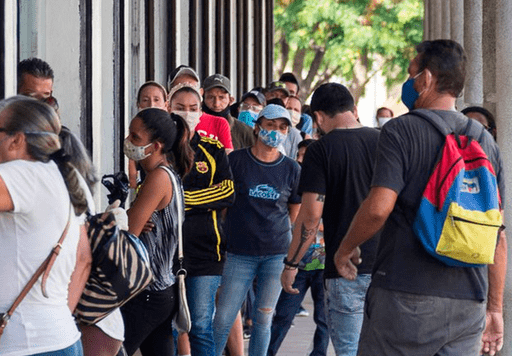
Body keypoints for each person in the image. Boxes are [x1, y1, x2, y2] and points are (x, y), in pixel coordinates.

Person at [334, 40, 507, 356]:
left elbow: (378, 208)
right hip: (469, 301)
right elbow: (497, 235)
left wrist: (344, 249)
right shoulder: (485, 141)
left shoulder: (401, 130)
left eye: (412, 74)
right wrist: (495, 309)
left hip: (405, 295)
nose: (409, 82)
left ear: (426, 79)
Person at [0, 97, 91, 356]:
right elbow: (84, 257)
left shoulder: (25, 175)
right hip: (54, 338)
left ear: (17, 140)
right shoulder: (59, 174)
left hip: (27, 346)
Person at [282, 83, 380, 356]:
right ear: (354, 110)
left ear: (319, 117)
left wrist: (292, 263)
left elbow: (311, 216)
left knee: (348, 350)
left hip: (345, 267)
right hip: (386, 267)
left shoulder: (320, 150)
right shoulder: (383, 140)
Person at [213, 104, 301, 356]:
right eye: (271, 125)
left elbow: (293, 210)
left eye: (282, 127)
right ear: (258, 126)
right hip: (239, 253)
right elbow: (224, 205)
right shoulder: (236, 161)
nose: (276, 132)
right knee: (223, 319)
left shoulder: (291, 168)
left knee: (263, 320)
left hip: (275, 254)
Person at [167, 84, 236, 356]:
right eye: (180, 107)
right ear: (169, 109)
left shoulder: (212, 148)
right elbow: (151, 192)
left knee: (201, 326)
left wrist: (182, 200)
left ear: (201, 111)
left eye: (193, 109)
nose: (187, 113)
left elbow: (228, 191)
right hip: (166, 252)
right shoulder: (160, 148)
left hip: (207, 249)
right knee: (169, 326)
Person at [120, 108, 194, 356]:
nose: (128, 142)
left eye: (135, 137)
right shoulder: (168, 174)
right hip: (162, 290)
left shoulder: (158, 178)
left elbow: (129, 231)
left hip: (147, 292)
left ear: (156, 145)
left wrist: (121, 217)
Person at [198, 74, 235, 151]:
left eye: (222, 97)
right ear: (202, 99)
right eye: (211, 97)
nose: (216, 104)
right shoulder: (193, 125)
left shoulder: (244, 131)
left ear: (231, 100)